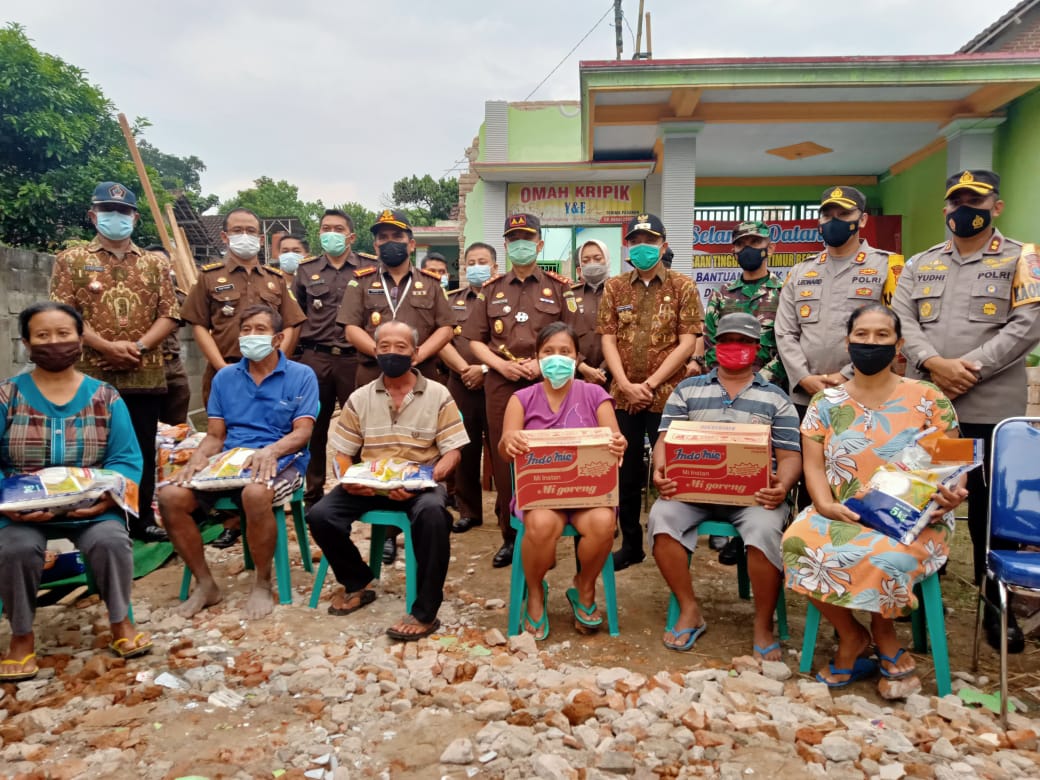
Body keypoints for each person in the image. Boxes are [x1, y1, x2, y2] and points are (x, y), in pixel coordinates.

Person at [782, 304, 968, 692]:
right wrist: (824, 505)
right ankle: (851, 634)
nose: (871, 342)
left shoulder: (927, 398)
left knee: (886, 555)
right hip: (841, 510)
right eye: (861, 335)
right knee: (796, 542)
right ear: (848, 344)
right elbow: (813, 467)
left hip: (915, 519)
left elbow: (953, 463)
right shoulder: (825, 404)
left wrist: (953, 493)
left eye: (882, 335)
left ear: (898, 345)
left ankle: (885, 635)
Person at [893, 169, 1040, 653]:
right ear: (945, 208)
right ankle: (913, 596)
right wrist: (934, 365)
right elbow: (903, 320)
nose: (964, 209)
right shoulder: (920, 264)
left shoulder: (1024, 258)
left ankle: (996, 608)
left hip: (990, 407)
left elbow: (1028, 324)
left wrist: (968, 369)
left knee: (988, 513)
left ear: (996, 206)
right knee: (926, 499)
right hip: (935, 409)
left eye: (975, 201)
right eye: (956, 200)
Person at [0, 303, 150, 681]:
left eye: (64, 334)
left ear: (80, 340)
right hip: (20, 510)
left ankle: (120, 623)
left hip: (91, 505)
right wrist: (9, 504)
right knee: (15, 547)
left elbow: (126, 459)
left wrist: (105, 497)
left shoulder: (106, 396)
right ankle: (21, 637)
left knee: (111, 539)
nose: (55, 343)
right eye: (43, 336)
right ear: (26, 343)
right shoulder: (7, 397)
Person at [649, 313, 800, 657]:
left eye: (744, 341)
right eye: (728, 340)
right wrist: (661, 470)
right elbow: (664, 440)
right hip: (692, 491)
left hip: (755, 497)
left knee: (764, 531)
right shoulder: (687, 390)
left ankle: (763, 624)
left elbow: (790, 456)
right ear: (716, 345)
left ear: (756, 348)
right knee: (663, 518)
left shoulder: (776, 398)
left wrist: (782, 485)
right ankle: (689, 609)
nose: (736, 347)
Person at [306, 320, 468, 640]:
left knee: (435, 515)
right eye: (384, 347)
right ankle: (358, 581)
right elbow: (343, 453)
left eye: (401, 347)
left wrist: (424, 480)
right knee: (320, 515)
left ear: (416, 353)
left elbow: (453, 453)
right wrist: (348, 478)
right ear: (374, 351)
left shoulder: (438, 395)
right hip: (371, 481)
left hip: (418, 481)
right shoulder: (359, 398)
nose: (392, 353)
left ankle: (425, 610)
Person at [157, 305, 318, 620]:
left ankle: (262, 581)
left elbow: (302, 432)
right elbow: (216, 435)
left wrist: (271, 450)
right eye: (245, 330)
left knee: (255, 494)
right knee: (170, 496)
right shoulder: (225, 377)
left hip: (284, 457)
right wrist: (198, 459)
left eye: (260, 329)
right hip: (230, 460)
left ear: (278, 338)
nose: (250, 336)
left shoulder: (301, 375)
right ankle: (205, 584)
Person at [50, 181, 180, 544]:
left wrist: (136, 346)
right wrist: (105, 346)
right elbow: (64, 313)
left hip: (145, 369)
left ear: (135, 217)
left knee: (139, 445)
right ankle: (89, 519)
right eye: (108, 211)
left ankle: (137, 520)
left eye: (123, 211)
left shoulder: (155, 263)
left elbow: (170, 314)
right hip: (91, 371)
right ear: (93, 215)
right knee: (89, 448)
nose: (116, 217)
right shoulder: (72, 260)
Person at [462, 213, 584, 568]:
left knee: (553, 453)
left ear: (540, 244)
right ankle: (511, 536)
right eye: (513, 238)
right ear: (506, 244)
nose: (520, 244)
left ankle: (550, 529)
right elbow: (474, 340)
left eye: (527, 238)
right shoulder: (490, 290)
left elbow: (574, 338)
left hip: (551, 381)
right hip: (501, 384)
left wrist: (541, 363)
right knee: (506, 458)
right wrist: (499, 366)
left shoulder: (561, 288)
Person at [499, 323, 625, 639]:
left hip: (588, 495)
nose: (557, 359)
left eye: (565, 352)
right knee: (541, 525)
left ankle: (583, 587)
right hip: (541, 495)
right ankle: (536, 590)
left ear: (577, 357)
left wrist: (618, 444)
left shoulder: (595, 394)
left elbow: (615, 439)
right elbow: (504, 450)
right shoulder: (521, 398)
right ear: (537, 359)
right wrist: (510, 443)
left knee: (602, 523)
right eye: (548, 352)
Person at [598, 213, 702, 570]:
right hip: (623, 396)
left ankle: (672, 544)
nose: (643, 247)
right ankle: (630, 544)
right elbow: (607, 338)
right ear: (627, 245)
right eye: (637, 240)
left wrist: (652, 383)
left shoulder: (682, 286)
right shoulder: (614, 288)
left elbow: (688, 342)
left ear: (664, 244)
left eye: (651, 240)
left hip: (668, 396)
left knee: (669, 473)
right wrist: (625, 385)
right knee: (624, 473)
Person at [695, 221, 787, 565]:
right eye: (742, 243)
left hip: (769, 393)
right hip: (723, 389)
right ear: (733, 250)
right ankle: (723, 516)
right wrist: (721, 381)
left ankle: (754, 527)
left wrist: (759, 380)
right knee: (725, 456)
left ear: (770, 247)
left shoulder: (784, 292)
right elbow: (708, 341)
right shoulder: (722, 294)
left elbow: (788, 342)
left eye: (755, 242)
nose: (748, 248)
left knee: (762, 463)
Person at [776, 187, 898, 413]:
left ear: (862, 220)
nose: (834, 221)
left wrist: (847, 375)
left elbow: (897, 330)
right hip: (807, 395)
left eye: (843, 215)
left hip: (866, 391)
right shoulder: (800, 271)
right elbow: (785, 332)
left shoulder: (887, 266)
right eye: (828, 216)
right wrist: (802, 376)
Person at [293, 209, 378, 509]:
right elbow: (296, 315)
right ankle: (313, 491)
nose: (331, 233)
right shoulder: (306, 270)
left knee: (361, 425)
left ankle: (360, 486)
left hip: (356, 358)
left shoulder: (370, 268)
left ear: (351, 236)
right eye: (325, 228)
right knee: (313, 426)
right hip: (316, 358)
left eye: (338, 228)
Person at [180, 207, 307, 405]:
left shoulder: (275, 279)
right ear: (224, 236)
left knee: (273, 430)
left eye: (250, 231)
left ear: (261, 238)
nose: (245, 236)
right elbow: (199, 325)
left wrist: (278, 361)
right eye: (237, 231)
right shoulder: (209, 277)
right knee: (223, 431)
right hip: (226, 368)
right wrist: (221, 367)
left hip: (270, 374)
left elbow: (292, 323)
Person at [439, 243, 496, 534]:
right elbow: (442, 339)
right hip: (460, 384)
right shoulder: (451, 300)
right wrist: (464, 370)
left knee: (501, 449)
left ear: (495, 266)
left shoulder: (504, 296)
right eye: (471, 262)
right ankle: (468, 510)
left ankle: (506, 510)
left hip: (498, 383)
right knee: (463, 447)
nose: (476, 266)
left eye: (482, 261)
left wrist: (484, 369)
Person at [144, 246, 192, 428]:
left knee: (177, 422)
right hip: (145, 363)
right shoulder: (133, 297)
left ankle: (175, 454)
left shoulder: (178, 297)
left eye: (161, 263)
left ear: (169, 266)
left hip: (173, 364)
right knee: (147, 423)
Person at [571, 239, 610, 387]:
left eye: (597, 258)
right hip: (576, 376)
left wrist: (603, 370)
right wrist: (582, 366)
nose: (592, 263)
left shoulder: (620, 293)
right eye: (585, 260)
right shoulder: (570, 295)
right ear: (580, 266)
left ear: (607, 260)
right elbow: (563, 335)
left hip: (614, 378)